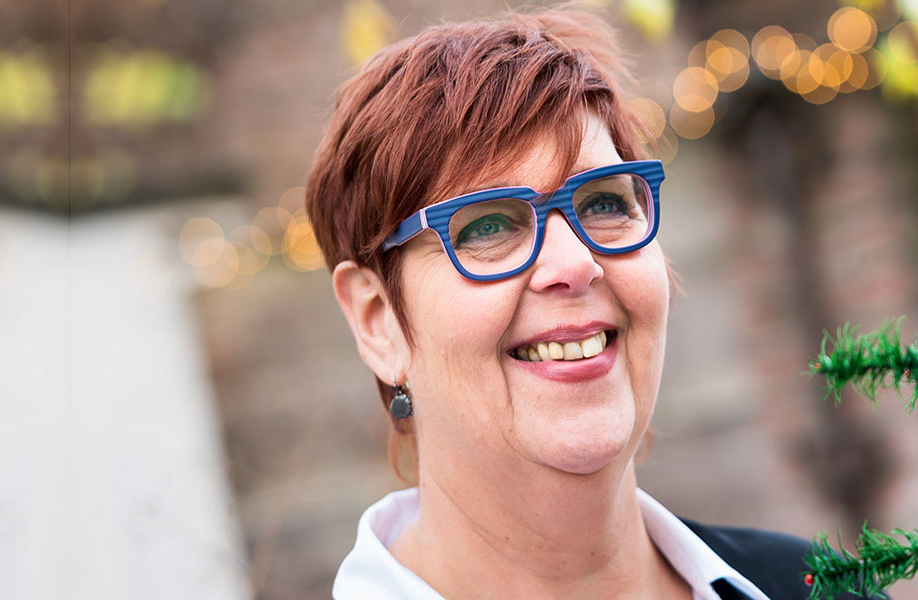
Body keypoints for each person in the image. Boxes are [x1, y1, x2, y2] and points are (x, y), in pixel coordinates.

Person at [305, 8, 863, 599]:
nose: (575, 264)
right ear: (377, 321)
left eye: (604, 203)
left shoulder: (818, 586)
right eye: (488, 225)